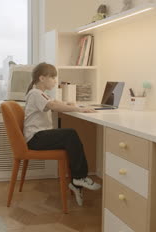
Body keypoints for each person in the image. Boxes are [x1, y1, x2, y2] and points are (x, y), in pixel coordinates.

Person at [24, 62, 101, 206]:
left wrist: (71, 104)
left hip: (39, 136)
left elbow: (56, 102)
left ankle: (77, 182)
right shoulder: (35, 93)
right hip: (36, 138)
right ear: (42, 78)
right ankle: (79, 178)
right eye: (52, 77)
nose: (55, 80)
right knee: (70, 135)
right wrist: (79, 110)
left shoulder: (41, 94)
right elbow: (53, 106)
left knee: (70, 140)